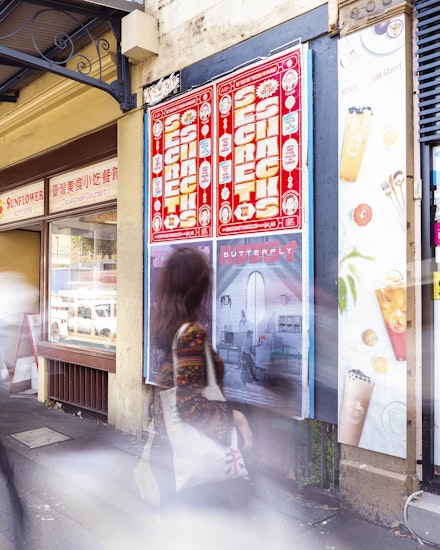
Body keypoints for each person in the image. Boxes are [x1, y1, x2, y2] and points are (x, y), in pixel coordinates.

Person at [150, 247, 253, 521]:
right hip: (189, 456)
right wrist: (238, 419)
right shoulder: (192, 333)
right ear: (197, 285)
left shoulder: (167, 328)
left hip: (168, 451)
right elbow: (189, 404)